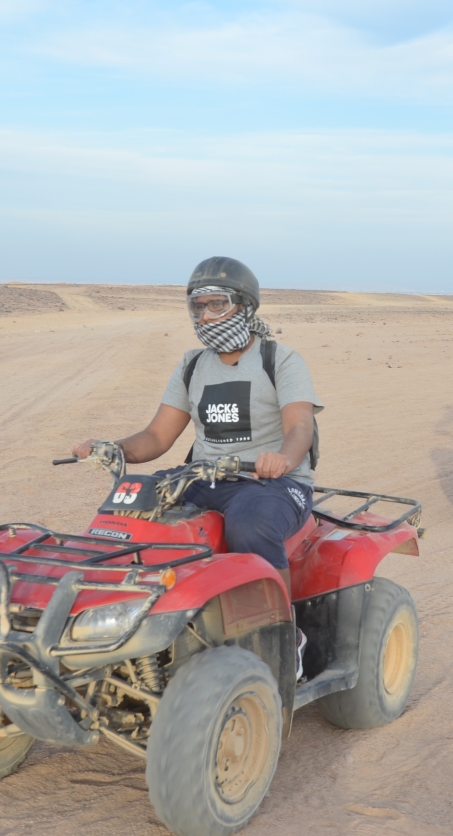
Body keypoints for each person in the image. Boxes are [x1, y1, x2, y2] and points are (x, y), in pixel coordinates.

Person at [71, 257, 321, 649]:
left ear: (245, 305)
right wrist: (112, 448)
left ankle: (282, 638)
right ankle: (111, 616)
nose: (205, 316)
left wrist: (284, 458)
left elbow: (300, 427)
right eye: (197, 306)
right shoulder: (192, 365)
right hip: (205, 478)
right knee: (128, 503)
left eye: (216, 304)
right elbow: (156, 436)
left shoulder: (280, 359)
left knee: (251, 525)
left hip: (273, 482)